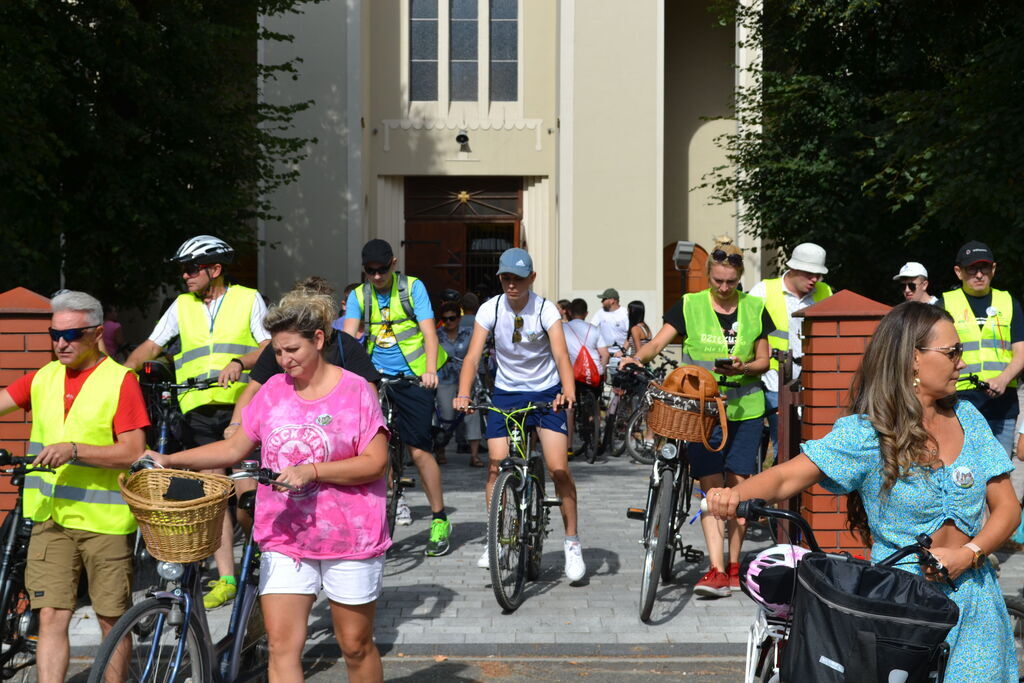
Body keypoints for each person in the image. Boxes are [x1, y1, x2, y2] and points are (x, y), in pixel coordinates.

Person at [706, 301, 1020, 681]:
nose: (962, 362)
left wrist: (969, 554)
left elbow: (1007, 508)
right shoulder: (869, 433)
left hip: (976, 601)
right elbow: (787, 477)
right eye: (952, 352)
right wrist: (734, 496)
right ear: (912, 360)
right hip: (901, 608)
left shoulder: (969, 418)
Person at [148, 289, 390, 683]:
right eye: (277, 352)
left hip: (350, 539)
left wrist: (312, 471)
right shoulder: (273, 391)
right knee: (281, 647)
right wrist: (170, 460)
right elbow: (234, 447)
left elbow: (376, 463)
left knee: (355, 645)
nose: (284, 360)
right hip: (283, 535)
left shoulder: (356, 391)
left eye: (292, 349)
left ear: (318, 339)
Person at [0, 291, 148, 683]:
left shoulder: (121, 380)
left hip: (105, 522)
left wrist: (75, 450)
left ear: (97, 333)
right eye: (54, 334)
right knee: (49, 614)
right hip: (50, 518)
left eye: (73, 334)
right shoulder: (44, 377)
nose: (61, 343)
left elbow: (134, 451)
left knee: (111, 619)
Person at [125, 235, 270, 608]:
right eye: (183, 269)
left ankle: (261, 555)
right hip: (196, 411)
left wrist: (240, 363)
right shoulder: (181, 305)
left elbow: (268, 345)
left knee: (245, 493)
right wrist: (117, 378)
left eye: (191, 268)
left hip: (241, 406)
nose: (185, 275)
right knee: (212, 495)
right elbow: (152, 346)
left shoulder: (248, 298)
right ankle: (226, 578)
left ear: (215, 269)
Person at [627, 241, 773, 597]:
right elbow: (657, 343)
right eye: (718, 281)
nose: (724, 288)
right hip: (701, 411)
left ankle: (736, 566)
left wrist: (744, 366)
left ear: (739, 278)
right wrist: (637, 359)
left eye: (730, 282)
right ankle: (717, 570)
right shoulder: (690, 304)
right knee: (710, 490)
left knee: (739, 488)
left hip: (745, 410)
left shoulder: (754, 307)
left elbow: (764, 361)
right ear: (709, 275)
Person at [454, 248, 587, 582]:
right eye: (506, 277)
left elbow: (560, 355)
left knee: (558, 468)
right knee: (497, 466)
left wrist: (568, 390)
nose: (512, 284)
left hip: (544, 394)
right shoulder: (490, 309)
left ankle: (571, 543)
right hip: (507, 394)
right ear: (500, 278)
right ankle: (495, 538)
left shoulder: (545, 311)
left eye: (519, 277)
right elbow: (472, 357)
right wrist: (463, 393)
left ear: (532, 278)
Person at [342, 238, 453, 556]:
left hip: (414, 376)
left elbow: (429, 332)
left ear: (393, 263)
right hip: (376, 379)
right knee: (371, 451)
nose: (376, 277)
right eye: (369, 271)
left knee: (419, 451)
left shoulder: (412, 287)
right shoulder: (358, 295)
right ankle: (379, 514)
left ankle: (439, 519)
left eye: (381, 270)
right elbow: (349, 339)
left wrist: (429, 370)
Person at [940, 241, 1024, 456]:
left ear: (993, 269)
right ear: (959, 272)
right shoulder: (944, 304)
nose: (979, 274)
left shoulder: (1008, 302)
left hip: (1002, 403)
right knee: (963, 473)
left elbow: (1021, 351)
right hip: (957, 403)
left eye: (984, 268)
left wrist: (1003, 379)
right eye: (972, 269)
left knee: (1000, 473)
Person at [748, 242, 832, 458]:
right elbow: (749, 336)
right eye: (809, 274)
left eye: (818, 275)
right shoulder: (763, 291)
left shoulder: (825, 292)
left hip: (813, 382)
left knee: (810, 441)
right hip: (774, 380)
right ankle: (784, 488)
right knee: (784, 442)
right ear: (793, 268)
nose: (815, 279)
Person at [435, 301, 484, 467]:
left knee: (472, 415)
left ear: (459, 318)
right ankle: (440, 450)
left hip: (467, 379)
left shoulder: (469, 333)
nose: (448, 322)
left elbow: (478, 354)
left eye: (452, 318)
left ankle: (475, 455)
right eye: (445, 318)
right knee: (446, 417)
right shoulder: (436, 335)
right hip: (445, 380)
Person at [563, 298, 611, 449]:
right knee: (595, 404)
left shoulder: (563, 329)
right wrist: (600, 369)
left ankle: (569, 446)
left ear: (569, 312)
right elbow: (605, 354)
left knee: (569, 408)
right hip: (593, 374)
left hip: (572, 375)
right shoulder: (594, 329)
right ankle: (596, 439)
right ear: (586, 313)